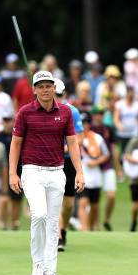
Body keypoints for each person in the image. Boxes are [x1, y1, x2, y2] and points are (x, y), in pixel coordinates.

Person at [9, 70, 84, 275]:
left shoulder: (66, 112)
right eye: (40, 86)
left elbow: (72, 143)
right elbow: (15, 145)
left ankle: (50, 269)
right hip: (32, 171)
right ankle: (38, 265)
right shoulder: (24, 112)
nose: (45, 90)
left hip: (57, 172)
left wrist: (79, 171)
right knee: (39, 215)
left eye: (48, 86)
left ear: (54, 88)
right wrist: (12, 174)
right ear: (34, 90)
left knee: (53, 223)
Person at [54, 78, 83, 251]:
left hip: (68, 160)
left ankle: (63, 229)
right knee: (55, 199)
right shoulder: (44, 111)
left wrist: (65, 146)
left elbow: (79, 137)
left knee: (69, 204)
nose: (56, 98)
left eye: (59, 95)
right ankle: (57, 236)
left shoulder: (72, 111)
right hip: (52, 161)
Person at [78, 112, 109, 231]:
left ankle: (91, 227)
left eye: (86, 123)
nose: (84, 126)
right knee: (83, 202)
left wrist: (95, 163)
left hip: (95, 177)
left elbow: (106, 154)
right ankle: (84, 228)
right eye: (81, 123)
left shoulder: (97, 138)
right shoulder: (74, 137)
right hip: (82, 176)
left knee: (94, 206)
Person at [89, 106, 117, 231]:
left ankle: (106, 220)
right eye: (97, 114)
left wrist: (119, 167)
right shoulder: (89, 129)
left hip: (107, 165)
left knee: (111, 195)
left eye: (101, 113)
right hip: (93, 166)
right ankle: (96, 225)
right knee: (95, 198)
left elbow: (113, 149)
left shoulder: (108, 129)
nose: (99, 116)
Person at [0, 116, 23, 230]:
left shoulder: (19, 134)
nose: (7, 123)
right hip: (2, 170)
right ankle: (3, 223)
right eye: (5, 120)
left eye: (10, 120)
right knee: (4, 198)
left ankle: (14, 222)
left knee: (16, 198)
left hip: (19, 169)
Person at [114, 85, 138, 154]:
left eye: (132, 92)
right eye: (129, 92)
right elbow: (116, 118)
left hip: (134, 132)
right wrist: (119, 125)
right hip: (123, 133)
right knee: (122, 152)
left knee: (133, 152)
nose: (130, 94)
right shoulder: (119, 104)